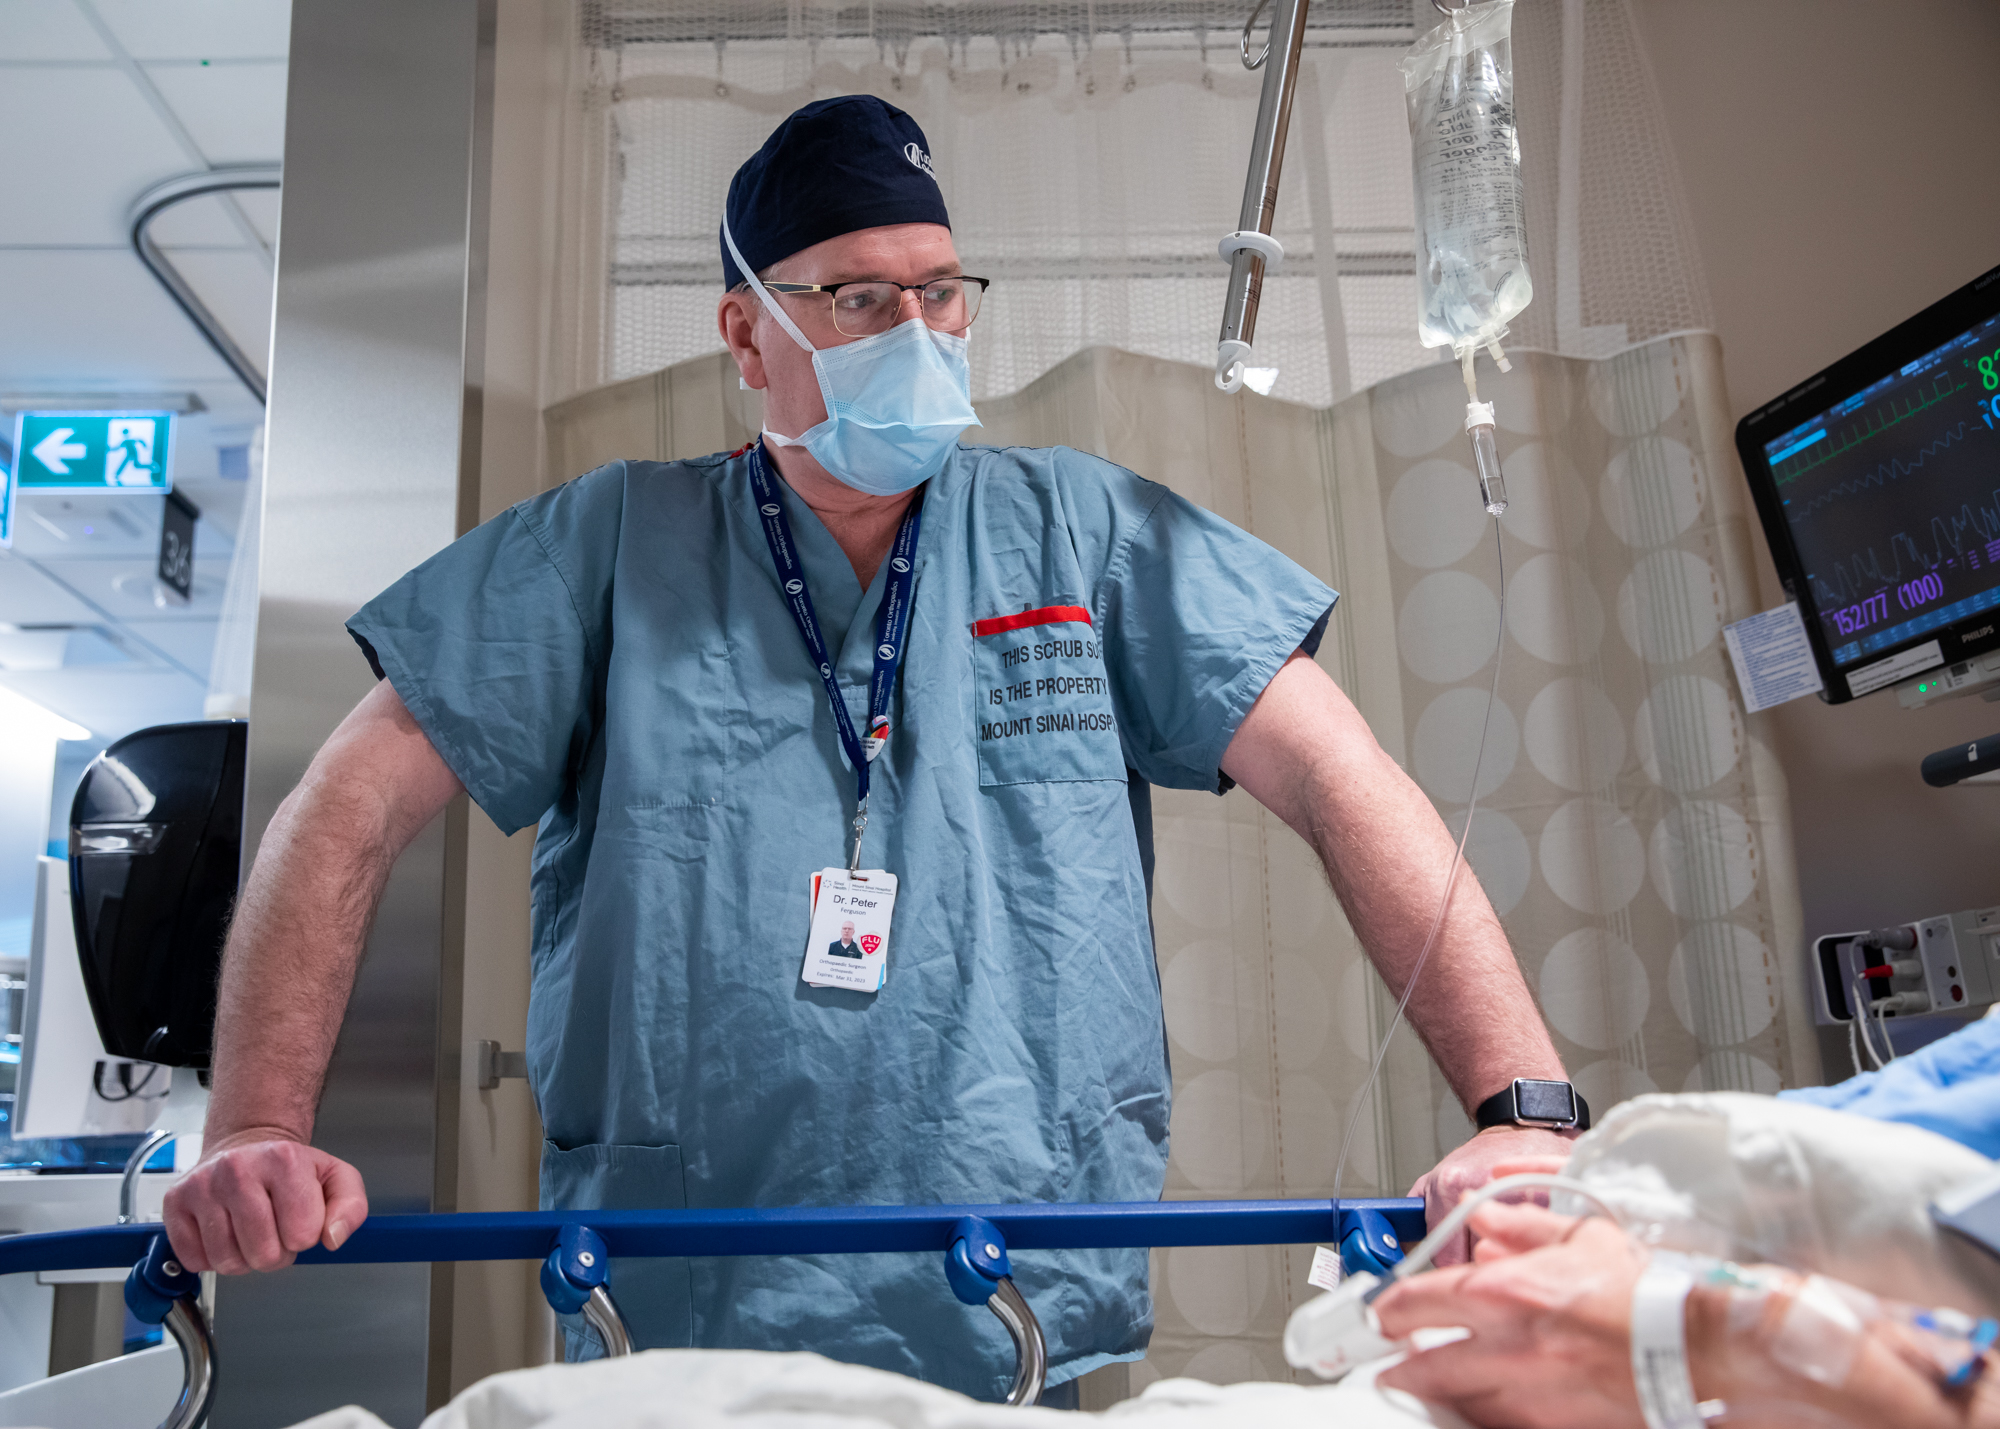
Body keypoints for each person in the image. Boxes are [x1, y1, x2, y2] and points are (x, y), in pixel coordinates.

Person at [162, 95, 1582, 1400]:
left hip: (1008, 1286)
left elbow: (1344, 780)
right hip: (678, 1313)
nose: (921, 329)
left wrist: (1525, 1108)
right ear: (744, 334)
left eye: (941, 290)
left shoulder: (1080, 534)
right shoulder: (608, 549)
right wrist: (251, 1130)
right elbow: (342, 804)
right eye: (858, 296)